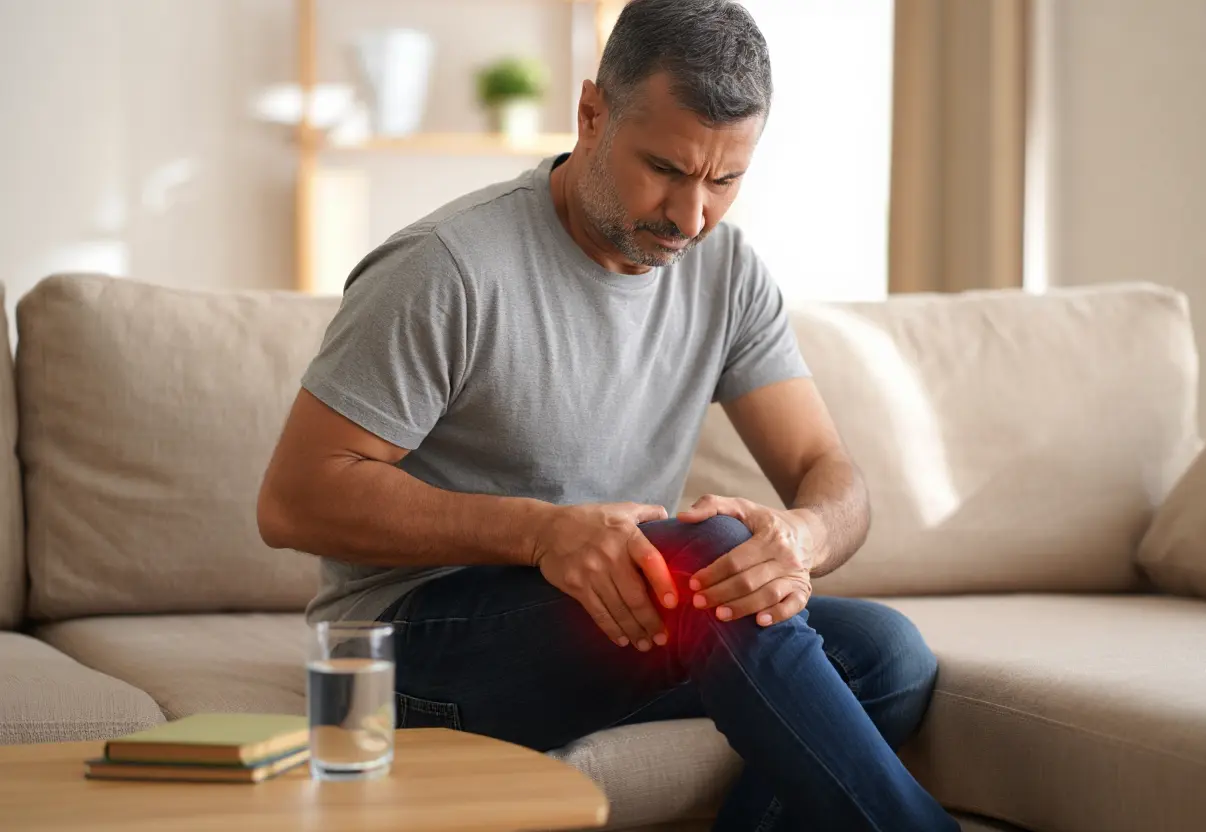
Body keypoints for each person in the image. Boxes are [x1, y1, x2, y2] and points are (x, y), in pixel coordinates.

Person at [258, 0, 957, 828]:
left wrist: (800, 539)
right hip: (412, 646)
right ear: (591, 114)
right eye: (665, 168)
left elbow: (828, 473)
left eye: (725, 180)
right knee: (705, 559)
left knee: (887, 657)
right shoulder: (446, 268)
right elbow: (293, 500)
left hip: (607, 624)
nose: (691, 217)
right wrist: (542, 533)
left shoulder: (725, 270)